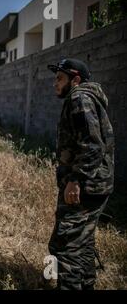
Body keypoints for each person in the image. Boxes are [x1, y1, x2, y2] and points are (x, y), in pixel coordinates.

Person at [47, 58, 115, 290]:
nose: (55, 83)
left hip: (85, 187)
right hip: (96, 184)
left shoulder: (78, 98)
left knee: (65, 248)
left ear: (75, 80)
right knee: (83, 243)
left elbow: (93, 145)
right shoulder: (86, 97)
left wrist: (75, 180)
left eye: (60, 78)